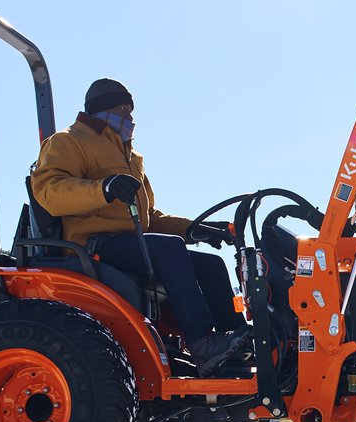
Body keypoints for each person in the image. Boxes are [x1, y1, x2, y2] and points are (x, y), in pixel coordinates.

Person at [31, 77, 250, 373]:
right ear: (103, 109)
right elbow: (50, 192)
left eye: (131, 111)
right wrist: (103, 188)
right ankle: (201, 342)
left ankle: (235, 342)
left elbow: (148, 218)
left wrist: (195, 229)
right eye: (124, 110)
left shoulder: (131, 157)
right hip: (93, 243)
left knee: (210, 264)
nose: (130, 119)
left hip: (131, 244)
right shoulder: (68, 141)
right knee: (169, 250)